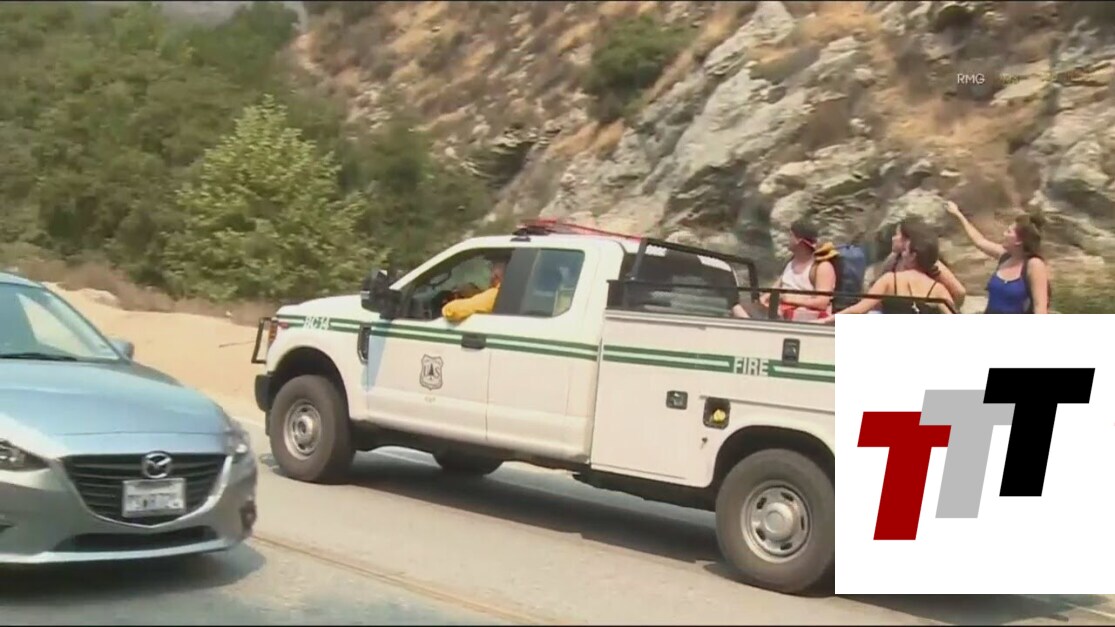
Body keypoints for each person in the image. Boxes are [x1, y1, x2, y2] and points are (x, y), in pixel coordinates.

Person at [817, 229, 955, 320]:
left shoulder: (890, 280)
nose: (902, 254)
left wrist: (826, 320)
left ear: (913, 256)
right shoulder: (938, 290)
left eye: (905, 251)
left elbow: (858, 310)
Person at [944, 201, 1050, 314]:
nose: (1004, 234)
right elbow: (979, 241)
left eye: (1009, 232)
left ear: (1019, 241)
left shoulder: (1034, 265)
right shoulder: (1005, 256)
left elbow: (1040, 307)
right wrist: (958, 214)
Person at [731, 219, 838, 321]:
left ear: (799, 241)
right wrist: (764, 298)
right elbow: (776, 288)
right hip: (780, 311)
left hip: (804, 314)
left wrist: (788, 299)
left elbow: (822, 303)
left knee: (795, 313)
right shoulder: (791, 262)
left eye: (791, 235)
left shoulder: (822, 267)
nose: (788, 239)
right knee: (737, 309)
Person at [880, 216, 967, 308]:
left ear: (908, 241)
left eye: (897, 235)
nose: (893, 238)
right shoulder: (893, 260)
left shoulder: (930, 264)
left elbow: (959, 293)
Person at [442, 253, 508, 322]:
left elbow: (452, 311)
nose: (491, 275)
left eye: (492, 267)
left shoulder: (495, 295)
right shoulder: (510, 293)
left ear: (496, 276)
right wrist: (475, 293)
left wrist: (446, 307)